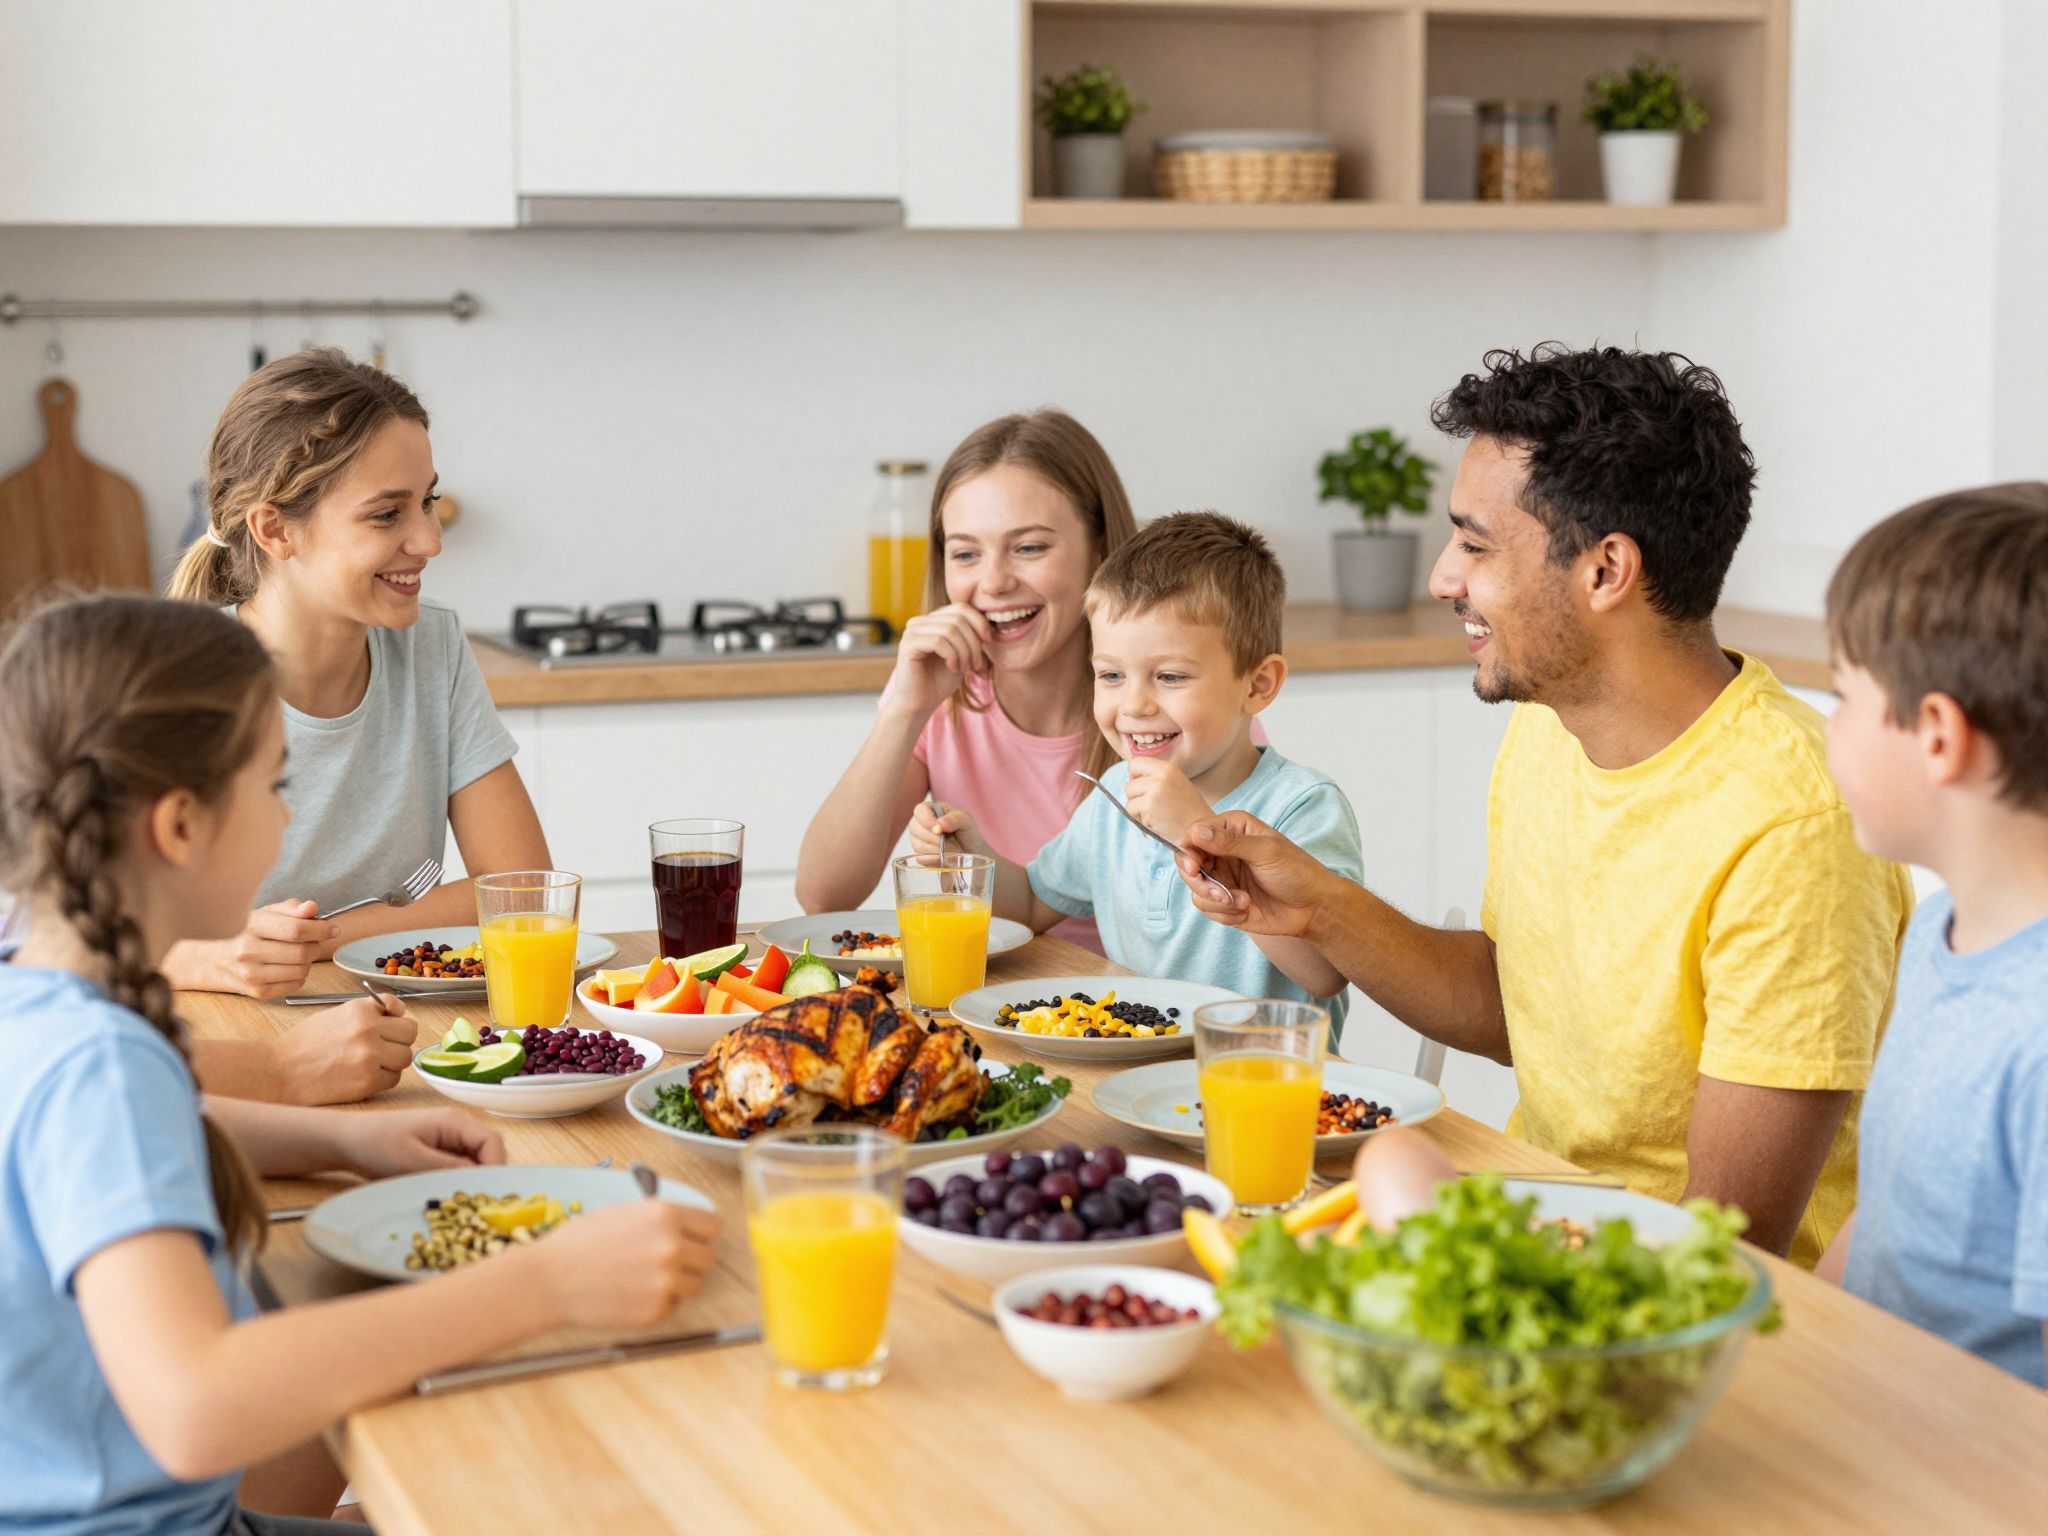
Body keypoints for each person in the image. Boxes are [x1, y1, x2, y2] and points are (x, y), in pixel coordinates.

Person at [1175, 346, 1912, 1266]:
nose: (1443, 578)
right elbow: (1509, 1007)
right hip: (1535, 1215)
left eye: (1475, 545)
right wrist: (1318, 905)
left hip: (1673, 1303)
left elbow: (1725, 1240)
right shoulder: (1550, 724)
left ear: (1606, 571)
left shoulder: (1794, 825)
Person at [0, 595, 720, 1533]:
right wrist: (549, 1283)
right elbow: (195, 1407)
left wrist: (341, 1142)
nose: (286, 813)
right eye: (274, 785)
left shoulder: (33, 998)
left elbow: (124, 1137)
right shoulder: (101, 1063)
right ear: (179, 828)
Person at [161, 351, 550, 1105]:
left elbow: (522, 892)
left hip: (394, 1038)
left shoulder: (430, 646)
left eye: (427, 502)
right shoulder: (172, 684)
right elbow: (44, 934)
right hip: (221, 1059)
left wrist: (327, 937)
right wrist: (210, 956)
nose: (429, 541)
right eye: (387, 514)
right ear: (275, 530)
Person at [917, 512, 1355, 1030]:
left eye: (1169, 676)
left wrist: (1199, 833)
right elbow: (1033, 905)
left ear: (1257, 685)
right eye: (1111, 675)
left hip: (1264, 1075)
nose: (1134, 705)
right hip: (1138, 1071)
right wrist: (973, 860)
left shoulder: (1303, 805)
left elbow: (1325, 972)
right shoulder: (1114, 797)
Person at [1812, 484, 2048, 1385]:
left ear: (1939, 736)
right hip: (1863, 1412)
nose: (1827, 728)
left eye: (1843, 697)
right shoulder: (1943, 933)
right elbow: (1886, 1221)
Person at [796, 410, 1139, 951]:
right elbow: (824, 895)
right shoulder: (937, 693)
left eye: (1029, 547)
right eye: (966, 554)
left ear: (1101, 548)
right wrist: (904, 710)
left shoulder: (1167, 694)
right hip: (991, 990)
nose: (994, 582)